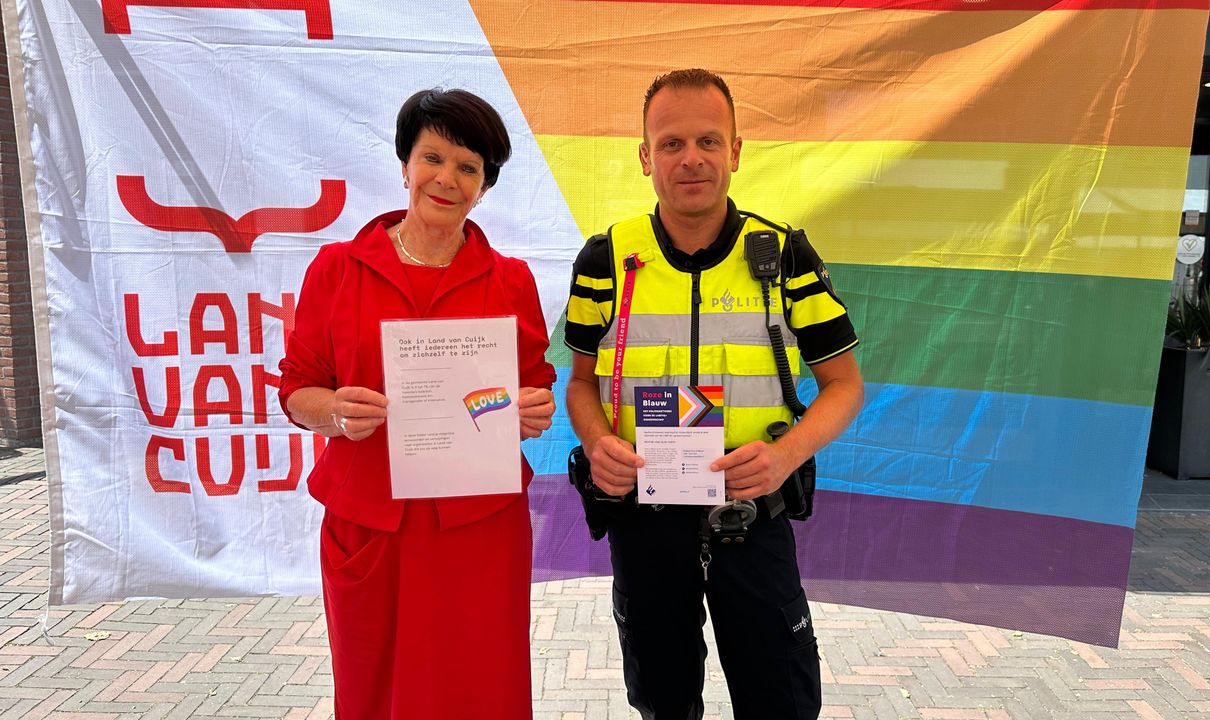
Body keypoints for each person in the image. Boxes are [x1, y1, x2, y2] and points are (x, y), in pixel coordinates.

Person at [564, 69, 865, 720]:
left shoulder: (783, 255)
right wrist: (598, 441)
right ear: (645, 158)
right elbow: (581, 385)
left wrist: (785, 457)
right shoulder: (604, 260)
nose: (691, 158)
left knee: (780, 703)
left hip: (753, 524)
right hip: (644, 530)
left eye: (708, 140)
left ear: (736, 150)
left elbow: (844, 386)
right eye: (671, 143)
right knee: (663, 704)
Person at [278, 88, 556, 719]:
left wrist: (533, 410)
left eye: (468, 167)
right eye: (433, 157)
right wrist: (335, 413)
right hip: (371, 522)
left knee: (480, 685)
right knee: (372, 687)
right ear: (405, 164)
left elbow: (533, 386)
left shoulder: (509, 279)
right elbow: (297, 388)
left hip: (477, 525)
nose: (447, 178)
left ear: (484, 186)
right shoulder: (338, 269)